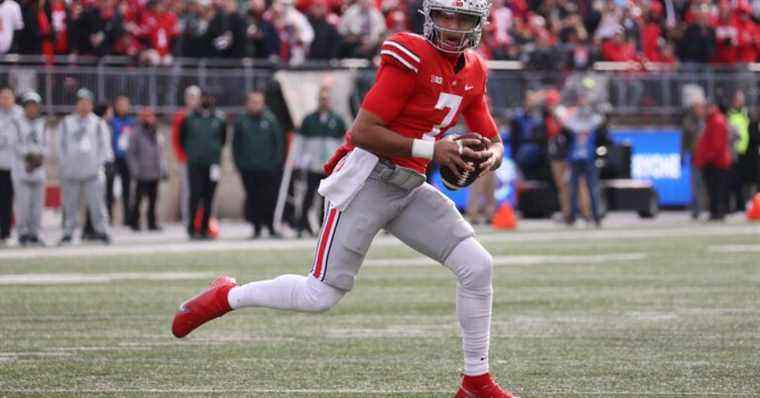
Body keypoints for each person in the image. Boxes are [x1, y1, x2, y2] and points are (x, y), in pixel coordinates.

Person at [172, 0, 519, 395]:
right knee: (319, 294)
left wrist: (486, 158)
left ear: (479, 24)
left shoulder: (474, 69)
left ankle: (475, 380)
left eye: (464, 18)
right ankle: (227, 295)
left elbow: (493, 140)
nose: (453, 26)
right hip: (367, 178)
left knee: (477, 265)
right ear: (429, 16)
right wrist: (434, 150)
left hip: (407, 186)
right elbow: (362, 132)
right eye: (445, 15)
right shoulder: (411, 54)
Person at [58, 89, 112, 245]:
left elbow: (105, 147)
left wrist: (98, 164)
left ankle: (102, 232)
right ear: (76, 104)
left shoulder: (98, 123)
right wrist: (65, 164)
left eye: (87, 102)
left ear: (91, 104)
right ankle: (68, 233)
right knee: (70, 205)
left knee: (97, 206)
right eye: (81, 102)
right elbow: (60, 146)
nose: (83, 105)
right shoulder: (67, 122)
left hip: (92, 172)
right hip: (72, 172)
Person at [292, 87, 346, 236]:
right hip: (313, 164)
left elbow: (342, 142)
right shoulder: (309, 119)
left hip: (329, 166)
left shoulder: (337, 120)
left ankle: (324, 226)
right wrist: (300, 161)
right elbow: (301, 142)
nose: (324, 102)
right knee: (308, 195)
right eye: (322, 99)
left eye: (326, 99)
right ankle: (302, 225)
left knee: (326, 198)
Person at [233, 91, 284, 239]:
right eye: (252, 102)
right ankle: (256, 227)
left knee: (269, 197)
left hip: (268, 168)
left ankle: (271, 226)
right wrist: (239, 163)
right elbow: (235, 144)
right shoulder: (242, 121)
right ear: (247, 103)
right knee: (253, 198)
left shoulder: (270, 120)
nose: (255, 105)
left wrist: (275, 163)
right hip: (248, 168)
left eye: (258, 102)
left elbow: (278, 143)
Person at [179, 92, 226, 240]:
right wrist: (192, 154)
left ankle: (205, 227)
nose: (206, 101)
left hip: (213, 164)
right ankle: (192, 228)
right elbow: (182, 138)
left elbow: (223, 139)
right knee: (195, 195)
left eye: (209, 98)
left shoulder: (219, 118)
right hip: (195, 164)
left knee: (209, 197)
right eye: (204, 98)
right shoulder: (189, 118)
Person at [12, 92, 48, 246]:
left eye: (34, 105)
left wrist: (40, 157)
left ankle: (35, 233)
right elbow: (15, 144)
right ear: (24, 107)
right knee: (22, 205)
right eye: (29, 105)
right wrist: (29, 157)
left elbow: (47, 145)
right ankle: (23, 234)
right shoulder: (17, 123)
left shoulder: (43, 123)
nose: (32, 109)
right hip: (22, 169)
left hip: (38, 169)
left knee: (37, 205)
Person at [127, 108, 166, 232]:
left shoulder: (155, 131)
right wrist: (135, 169)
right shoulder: (136, 132)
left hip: (154, 171)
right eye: (146, 116)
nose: (149, 119)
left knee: (153, 200)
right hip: (142, 172)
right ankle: (135, 222)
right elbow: (131, 153)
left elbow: (160, 152)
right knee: (138, 200)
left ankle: (152, 222)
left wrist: (162, 169)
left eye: (151, 116)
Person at [694, 102, 732, 221]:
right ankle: (715, 211)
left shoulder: (717, 121)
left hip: (716, 162)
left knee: (716, 188)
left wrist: (707, 158)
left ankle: (717, 212)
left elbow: (717, 145)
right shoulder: (711, 121)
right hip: (713, 161)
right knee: (713, 188)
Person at [171, 85, 200, 224]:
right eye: (190, 97)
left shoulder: (204, 114)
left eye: (195, 97)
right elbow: (176, 138)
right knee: (187, 190)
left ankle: (202, 218)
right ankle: (187, 218)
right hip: (187, 159)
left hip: (201, 160)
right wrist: (181, 156)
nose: (193, 100)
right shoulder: (181, 116)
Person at [105, 95, 135, 226]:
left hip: (127, 159)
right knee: (110, 190)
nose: (122, 107)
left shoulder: (132, 122)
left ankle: (128, 219)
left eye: (125, 104)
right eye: (120, 104)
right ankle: (108, 218)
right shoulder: (111, 121)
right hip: (113, 159)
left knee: (127, 190)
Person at [0, 87, 22, 245]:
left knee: (11, 200)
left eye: (8, 97)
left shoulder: (20, 114)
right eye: (3, 97)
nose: (5, 100)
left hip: (15, 165)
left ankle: (10, 232)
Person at [681, 89, 706, 220]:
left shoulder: (706, 120)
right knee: (696, 184)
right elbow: (684, 141)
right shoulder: (689, 122)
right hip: (695, 157)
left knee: (703, 184)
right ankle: (697, 209)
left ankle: (703, 207)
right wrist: (682, 156)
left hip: (707, 157)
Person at [726, 90, 750, 212]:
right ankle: (735, 205)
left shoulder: (746, 113)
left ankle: (742, 204)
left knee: (744, 181)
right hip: (734, 152)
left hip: (746, 152)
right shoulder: (729, 114)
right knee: (734, 180)